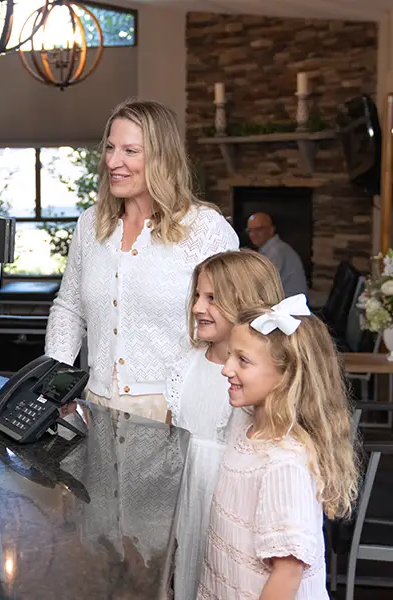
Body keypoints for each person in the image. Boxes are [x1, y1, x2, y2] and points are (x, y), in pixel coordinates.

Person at [45, 99, 238, 422]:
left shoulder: (204, 228)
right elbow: (69, 308)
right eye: (110, 148)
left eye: (130, 151)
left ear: (162, 158)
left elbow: (234, 323)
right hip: (97, 405)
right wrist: (53, 387)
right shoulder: (90, 225)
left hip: (177, 410)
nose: (113, 161)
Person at [198, 295, 358, 600]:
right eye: (230, 355)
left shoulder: (284, 462)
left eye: (242, 360)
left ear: (287, 376)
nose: (226, 368)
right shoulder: (244, 424)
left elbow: (286, 574)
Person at [165, 250, 284, 600]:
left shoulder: (259, 381)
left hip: (237, 520)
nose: (197, 308)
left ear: (246, 303)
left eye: (213, 299)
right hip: (189, 509)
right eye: (198, 296)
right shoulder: (184, 367)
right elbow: (171, 443)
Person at [246, 212, 308, 297]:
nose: (253, 234)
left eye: (259, 229)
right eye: (250, 230)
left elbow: (261, 285)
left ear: (271, 230)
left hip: (288, 306)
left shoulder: (276, 251)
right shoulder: (270, 249)